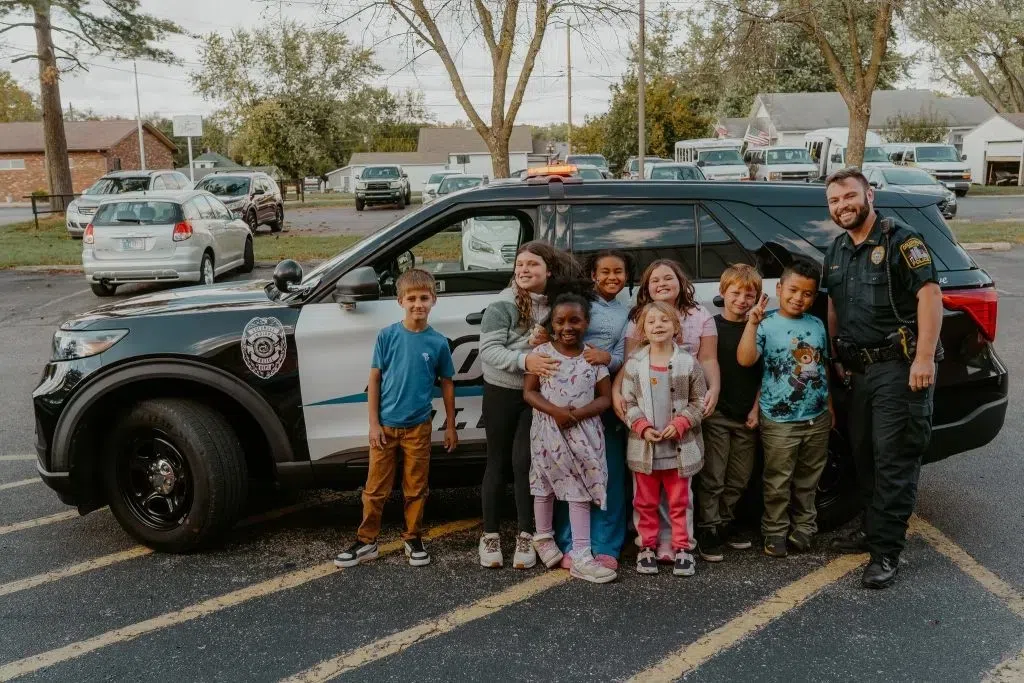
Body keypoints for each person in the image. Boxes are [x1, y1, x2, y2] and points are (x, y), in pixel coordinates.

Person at [823, 167, 943, 589]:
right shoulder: (837, 249)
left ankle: (887, 552)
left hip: (900, 367)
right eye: (835, 201)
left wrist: (924, 358)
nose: (843, 206)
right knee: (865, 458)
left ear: (869, 195)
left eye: (849, 197)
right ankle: (872, 531)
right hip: (859, 371)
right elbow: (835, 306)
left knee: (894, 460)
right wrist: (837, 355)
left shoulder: (901, 241)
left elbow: (930, 295)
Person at [335, 268, 458, 569]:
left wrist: (451, 425)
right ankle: (367, 541)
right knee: (375, 488)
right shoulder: (387, 336)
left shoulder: (438, 343)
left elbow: (447, 383)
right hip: (386, 427)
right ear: (400, 301)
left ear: (434, 301)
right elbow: (374, 380)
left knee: (416, 487)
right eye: (412, 298)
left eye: (424, 298)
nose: (418, 304)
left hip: (419, 427)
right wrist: (373, 423)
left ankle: (412, 537)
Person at [478, 241, 579, 570]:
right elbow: (489, 351)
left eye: (532, 265)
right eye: (519, 264)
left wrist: (544, 343)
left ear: (548, 271)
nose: (523, 270)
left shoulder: (556, 303)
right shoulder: (503, 304)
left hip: (536, 397)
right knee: (497, 463)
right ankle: (490, 535)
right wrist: (527, 359)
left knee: (526, 463)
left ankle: (525, 533)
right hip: (503, 392)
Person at [612, 259, 720, 561]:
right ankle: (651, 542)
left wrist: (712, 392)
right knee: (645, 494)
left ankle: (680, 543)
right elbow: (628, 368)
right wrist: (617, 395)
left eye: (668, 277)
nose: (661, 283)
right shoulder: (638, 329)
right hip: (645, 434)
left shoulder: (696, 326)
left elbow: (708, 363)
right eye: (654, 279)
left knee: (679, 494)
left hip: (681, 428)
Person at [737, 259, 834, 559]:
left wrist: (829, 407)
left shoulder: (816, 325)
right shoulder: (765, 323)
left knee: (809, 478)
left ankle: (805, 527)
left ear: (814, 296)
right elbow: (746, 360)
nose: (798, 298)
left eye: (807, 293)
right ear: (779, 288)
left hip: (816, 417)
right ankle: (775, 530)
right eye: (792, 290)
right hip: (779, 419)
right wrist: (752, 323)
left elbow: (822, 367)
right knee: (777, 479)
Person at [524, 293, 617, 584]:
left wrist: (575, 415)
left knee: (579, 489)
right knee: (543, 484)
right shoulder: (543, 355)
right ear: (551, 324)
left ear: (586, 323)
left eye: (575, 320)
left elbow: (606, 399)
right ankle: (543, 536)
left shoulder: (593, 357)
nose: (568, 326)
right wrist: (556, 412)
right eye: (560, 321)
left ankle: (581, 555)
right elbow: (529, 392)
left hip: (584, 435)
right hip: (548, 432)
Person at [553, 250, 632, 571]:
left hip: (604, 393)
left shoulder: (626, 313)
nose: (612, 278)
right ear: (592, 275)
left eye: (619, 272)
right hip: (566, 392)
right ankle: (571, 542)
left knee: (608, 471)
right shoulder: (575, 301)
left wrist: (607, 360)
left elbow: (621, 356)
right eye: (605, 272)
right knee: (571, 471)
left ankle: (606, 544)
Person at [620, 301, 707, 577]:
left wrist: (681, 422)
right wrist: (642, 426)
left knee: (680, 501)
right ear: (643, 330)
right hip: (645, 450)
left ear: (676, 327)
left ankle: (682, 547)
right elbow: (627, 402)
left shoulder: (688, 363)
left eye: (664, 320)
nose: (658, 325)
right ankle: (647, 546)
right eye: (651, 322)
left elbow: (698, 402)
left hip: (679, 451)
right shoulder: (635, 364)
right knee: (644, 502)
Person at [695, 264, 764, 561]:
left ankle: (725, 521)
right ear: (722, 293)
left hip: (746, 415)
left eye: (749, 295)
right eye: (735, 293)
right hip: (718, 415)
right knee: (714, 475)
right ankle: (708, 527)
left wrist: (756, 408)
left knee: (739, 477)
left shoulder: (759, 328)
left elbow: (766, 372)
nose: (742, 300)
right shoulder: (711, 328)